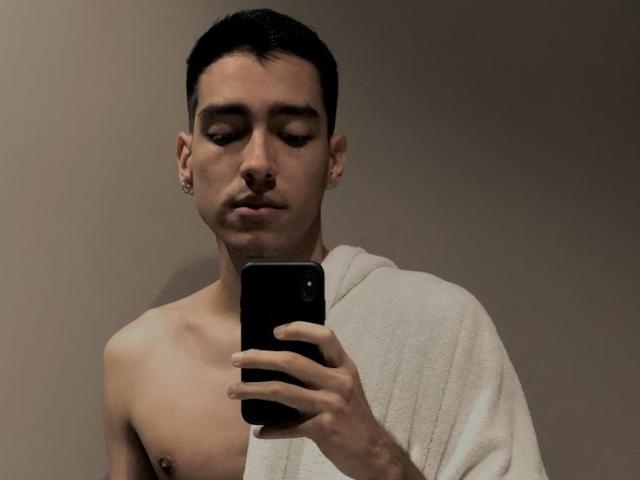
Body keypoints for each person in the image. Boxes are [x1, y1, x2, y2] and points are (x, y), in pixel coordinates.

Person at [102, 8, 548, 480]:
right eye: (225, 134)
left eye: (293, 136)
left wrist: (377, 455)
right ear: (185, 159)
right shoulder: (136, 359)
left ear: (333, 160)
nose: (258, 163)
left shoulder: (445, 326)